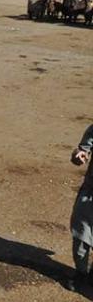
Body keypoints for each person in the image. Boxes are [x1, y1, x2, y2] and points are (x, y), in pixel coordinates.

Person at [68, 125, 93, 292]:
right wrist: (78, 156)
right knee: (81, 235)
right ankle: (81, 274)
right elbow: (81, 151)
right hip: (90, 193)